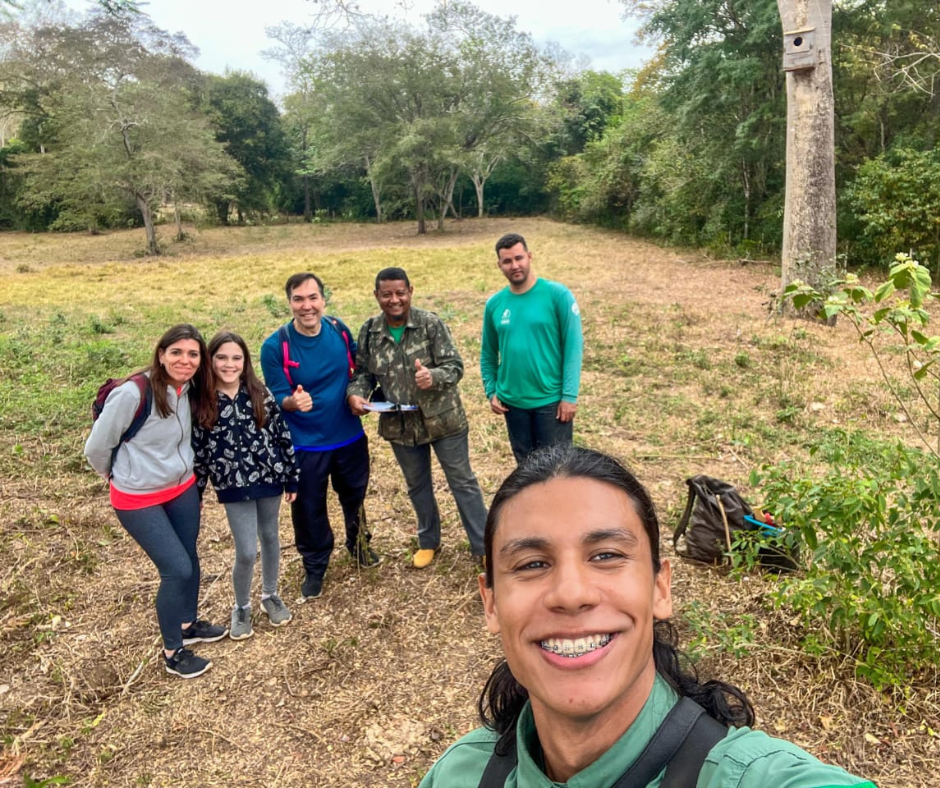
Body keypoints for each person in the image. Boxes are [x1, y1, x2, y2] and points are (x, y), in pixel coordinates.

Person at [419, 445, 875, 788]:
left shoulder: (750, 778)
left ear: (660, 587)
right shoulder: (459, 773)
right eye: (532, 563)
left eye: (607, 555)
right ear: (491, 601)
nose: (572, 594)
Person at [84, 324, 228, 679]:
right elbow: (96, 448)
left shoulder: (189, 388)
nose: (185, 360)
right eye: (176, 352)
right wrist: (116, 476)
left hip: (182, 488)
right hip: (137, 498)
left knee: (190, 555)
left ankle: (188, 623)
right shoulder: (135, 393)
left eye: (193, 354)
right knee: (176, 568)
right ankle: (172, 651)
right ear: (161, 354)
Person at [347, 267, 486, 568]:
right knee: (417, 484)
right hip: (402, 425)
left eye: (400, 293)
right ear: (377, 296)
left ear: (410, 291)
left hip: (443, 420)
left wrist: (433, 376)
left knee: (462, 482)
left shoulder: (430, 324)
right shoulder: (370, 331)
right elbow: (363, 374)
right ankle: (428, 541)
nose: (394, 300)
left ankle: (483, 545)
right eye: (387, 294)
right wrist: (355, 394)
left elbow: (455, 366)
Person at [260, 272, 378, 602]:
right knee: (309, 508)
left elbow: (359, 373)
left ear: (323, 299)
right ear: (289, 303)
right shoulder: (275, 346)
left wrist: (360, 397)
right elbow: (278, 395)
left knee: (354, 496)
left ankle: (358, 545)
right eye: (298, 299)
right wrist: (292, 402)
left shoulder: (339, 331)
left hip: (349, 436)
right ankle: (315, 565)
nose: (306, 306)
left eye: (313, 298)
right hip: (305, 445)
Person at [194, 331, 300, 641]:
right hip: (232, 485)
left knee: (270, 537)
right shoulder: (202, 400)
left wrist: (291, 474)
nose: (229, 364)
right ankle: (241, 606)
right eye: (222, 358)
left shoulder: (258, 392)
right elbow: (198, 451)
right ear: (211, 361)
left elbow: (281, 435)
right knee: (245, 550)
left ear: (245, 361)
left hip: (269, 479)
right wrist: (198, 490)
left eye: (236, 358)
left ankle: (270, 595)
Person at [480, 233, 583, 466]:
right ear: (499, 265)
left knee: (557, 470)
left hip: (551, 403)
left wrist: (569, 396)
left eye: (519, 258)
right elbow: (488, 354)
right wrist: (491, 390)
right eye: (507, 261)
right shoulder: (495, 304)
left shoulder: (557, 295)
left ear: (529, 256)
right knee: (526, 472)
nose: (514, 266)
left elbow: (573, 348)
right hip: (512, 403)